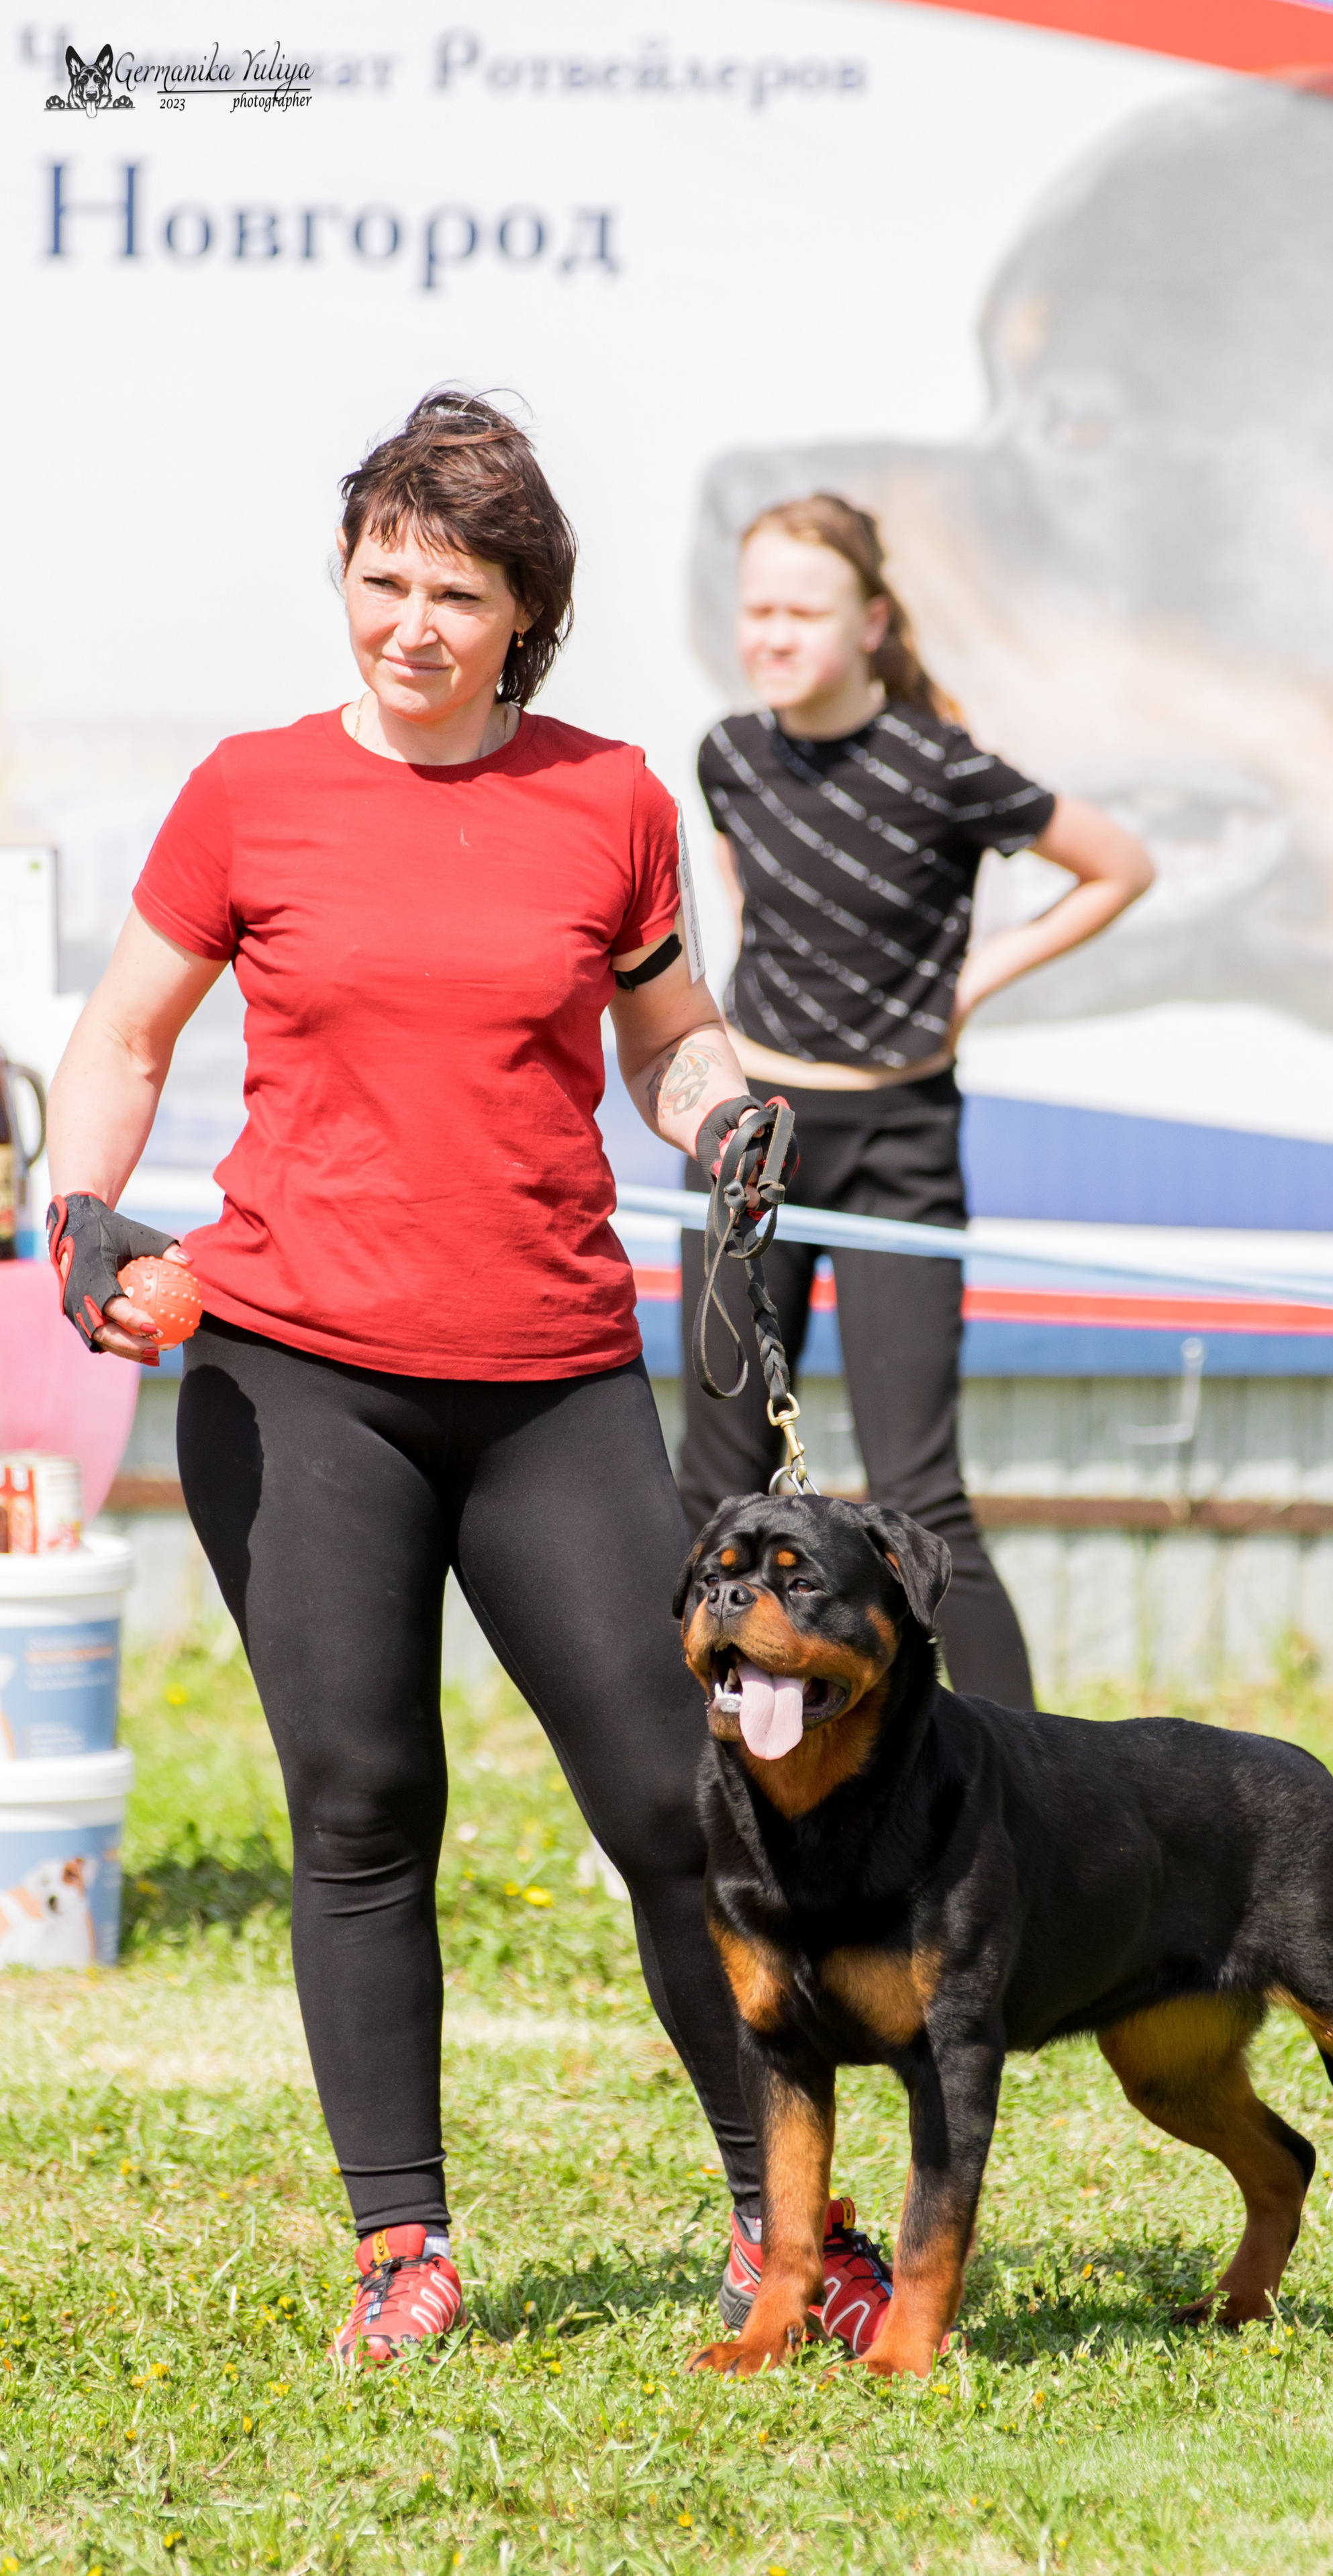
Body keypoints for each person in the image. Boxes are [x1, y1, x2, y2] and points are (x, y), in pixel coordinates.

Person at [44, 393, 894, 2365]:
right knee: (361, 1807)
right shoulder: (250, 793)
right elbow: (126, 1032)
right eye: (383, 578)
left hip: (552, 1385)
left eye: (457, 591)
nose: (411, 622)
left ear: (529, 614)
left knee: (687, 1809)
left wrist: (728, 1112)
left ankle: (789, 2225)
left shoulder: (609, 800)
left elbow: (671, 1043)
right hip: (298, 1380)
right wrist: (88, 1218)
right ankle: (399, 2246)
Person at [677, 495, 1155, 1704]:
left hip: (902, 1142)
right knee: (713, 1476)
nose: (772, 635)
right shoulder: (727, 752)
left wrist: (975, 979)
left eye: (802, 610)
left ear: (873, 621)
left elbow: (1120, 866)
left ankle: (1024, 1788)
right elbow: (750, 902)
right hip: (756, 1145)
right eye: (758, 610)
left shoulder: (941, 766)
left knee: (919, 1489)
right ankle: (695, 1780)